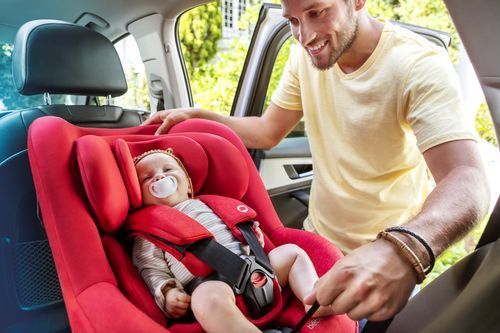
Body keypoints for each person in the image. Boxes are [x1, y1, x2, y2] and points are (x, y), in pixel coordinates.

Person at [142, 0, 490, 324]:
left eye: (317, 12)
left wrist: (403, 250)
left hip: (377, 263)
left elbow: (467, 178)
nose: (305, 36)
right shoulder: (303, 58)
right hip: (316, 244)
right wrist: (200, 116)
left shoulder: (417, 64)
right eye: (292, 21)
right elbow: (267, 132)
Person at [132, 149, 333, 333]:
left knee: (292, 252)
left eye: (168, 169)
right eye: (147, 178)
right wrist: (167, 292)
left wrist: (255, 236)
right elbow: (150, 268)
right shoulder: (149, 230)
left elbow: (240, 227)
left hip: (257, 270)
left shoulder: (209, 204)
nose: (159, 176)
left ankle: (312, 298)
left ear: (188, 185)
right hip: (210, 285)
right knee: (207, 299)